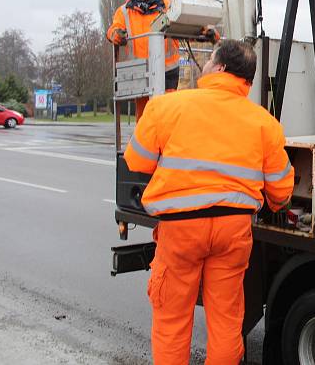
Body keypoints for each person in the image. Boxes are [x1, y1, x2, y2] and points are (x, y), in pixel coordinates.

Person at [123, 39, 294, 365]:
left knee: (172, 319)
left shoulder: (167, 106)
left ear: (219, 67)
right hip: (234, 230)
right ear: (248, 79)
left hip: (181, 230)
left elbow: (137, 161)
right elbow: (281, 191)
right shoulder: (265, 123)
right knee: (227, 321)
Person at [106, 0, 181, 119]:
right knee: (144, 117)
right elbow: (114, 29)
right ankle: (145, 142)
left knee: (167, 114)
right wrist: (116, 35)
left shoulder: (170, 6)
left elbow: (187, 26)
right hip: (140, 71)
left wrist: (207, 33)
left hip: (167, 70)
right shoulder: (124, 11)